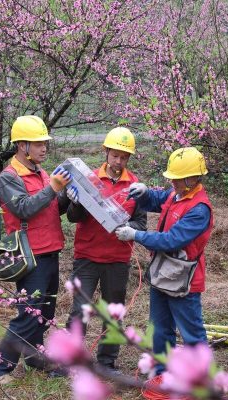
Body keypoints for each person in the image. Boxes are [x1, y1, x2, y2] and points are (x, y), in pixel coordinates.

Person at [115, 147, 214, 376]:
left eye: (178, 179)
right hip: (162, 274)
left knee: (191, 333)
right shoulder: (176, 193)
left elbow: (171, 240)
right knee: (160, 329)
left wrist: (136, 235)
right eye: (172, 178)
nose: (173, 183)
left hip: (183, 280)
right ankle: (162, 373)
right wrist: (144, 193)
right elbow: (158, 199)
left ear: (193, 178)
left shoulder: (199, 209)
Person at [0, 115, 73, 384]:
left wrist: (66, 196)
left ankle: (35, 358)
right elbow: (24, 208)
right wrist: (52, 189)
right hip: (30, 256)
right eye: (38, 144)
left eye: (45, 143)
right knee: (28, 314)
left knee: (45, 312)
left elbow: (50, 207)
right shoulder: (9, 177)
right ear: (22, 145)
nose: (44, 148)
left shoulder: (42, 173)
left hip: (50, 251)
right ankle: (0, 369)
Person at [65, 127, 147, 373]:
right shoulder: (89, 180)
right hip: (87, 257)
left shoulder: (135, 187)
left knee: (113, 314)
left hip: (117, 259)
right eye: (115, 155)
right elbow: (72, 218)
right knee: (80, 310)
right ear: (106, 152)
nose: (118, 161)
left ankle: (107, 363)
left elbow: (141, 223)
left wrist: (128, 229)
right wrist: (75, 201)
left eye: (123, 157)